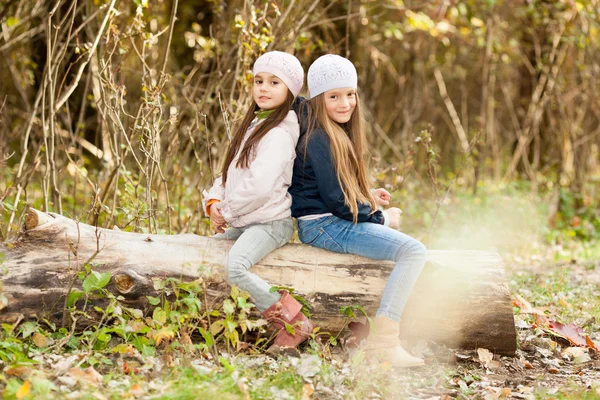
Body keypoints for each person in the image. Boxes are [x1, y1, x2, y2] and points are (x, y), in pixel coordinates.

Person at [289, 54, 427, 367]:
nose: (345, 103)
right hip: (324, 225)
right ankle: (384, 344)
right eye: (334, 96)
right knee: (414, 251)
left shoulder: (331, 132)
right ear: (319, 99)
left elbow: (333, 186)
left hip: (328, 220)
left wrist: (367, 195)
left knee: (407, 248)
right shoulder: (318, 138)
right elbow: (337, 200)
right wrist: (380, 217)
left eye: (350, 94)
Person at [202, 51, 312, 350]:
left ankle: (293, 322)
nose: (263, 88)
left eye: (274, 83)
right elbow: (231, 174)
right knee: (208, 250)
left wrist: (229, 211)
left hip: (270, 222)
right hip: (248, 218)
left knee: (234, 267)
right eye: (259, 80)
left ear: (289, 91)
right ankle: (228, 323)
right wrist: (213, 202)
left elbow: (260, 187)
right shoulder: (255, 124)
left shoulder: (278, 133)